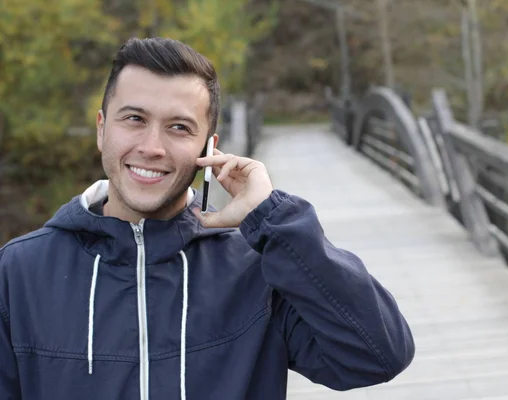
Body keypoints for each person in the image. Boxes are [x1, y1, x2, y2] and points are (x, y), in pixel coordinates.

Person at [0, 37, 414, 399]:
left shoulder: (256, 267)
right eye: (134, 119)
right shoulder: (19, 273)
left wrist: (273, 218)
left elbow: (377, 355)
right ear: (101, 129)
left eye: (179, 127)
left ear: (210, 147)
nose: (152, 146)